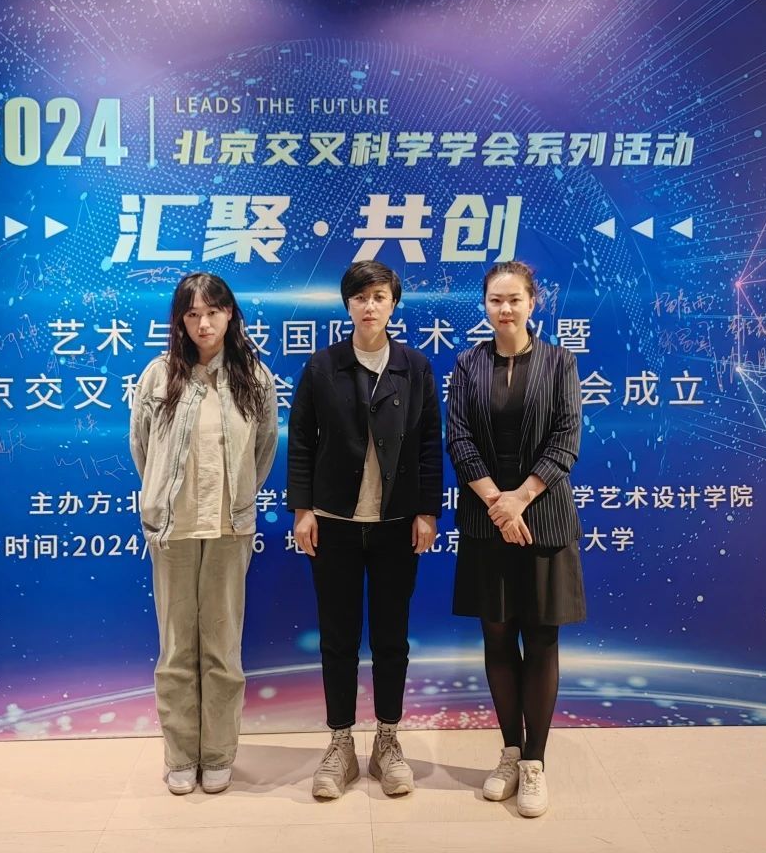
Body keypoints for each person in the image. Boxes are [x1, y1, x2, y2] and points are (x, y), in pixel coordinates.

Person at [287, 260, 443, 800]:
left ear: (393, 303)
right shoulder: (322, 366)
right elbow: (301, 440)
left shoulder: (414, 366)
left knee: (391, 637)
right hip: (334, 522)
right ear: (347, 305)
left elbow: (429, 443)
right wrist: (302, 510)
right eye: (360, 297)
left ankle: (388, 740)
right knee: (337, 637)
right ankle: (339, 744)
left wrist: (427, 511)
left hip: (397, 522)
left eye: (379, 296)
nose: (369, 306)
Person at [129, 272, 278, 796]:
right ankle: (180, 756)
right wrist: (161, 498)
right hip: (172, 531)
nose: (203, 324)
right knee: (175, 649)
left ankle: (217, 755)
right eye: (192, 315)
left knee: (221, 648)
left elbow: (263, 450)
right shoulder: (158, 376)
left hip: (229, 528)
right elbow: (142, 448)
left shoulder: (254, 377)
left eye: (213, 312)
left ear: (230, 314)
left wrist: (239, 498)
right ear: (180, 321)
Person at [446, 261, 586, 818]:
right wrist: (496, 503)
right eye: (495, 300)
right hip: (487, 524)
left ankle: (534, 762)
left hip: (543, 520)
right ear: (484, 305)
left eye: (514, 299)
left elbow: (566, 439)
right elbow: (458, 439)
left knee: (542, 639)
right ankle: (509, 750)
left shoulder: (559, 363)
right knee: (498, 639)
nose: (504, 309)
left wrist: (519, 499)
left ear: (533, 303)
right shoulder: (468, 364)